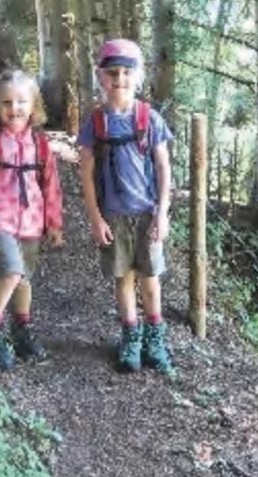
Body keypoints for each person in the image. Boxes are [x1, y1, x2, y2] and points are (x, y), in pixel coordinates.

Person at [77, 38, 175, 374]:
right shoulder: (95, 123)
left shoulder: (150, 119)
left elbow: (163, 168)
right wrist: (95, 217)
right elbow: (86, 171)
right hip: (114, 215)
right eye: (112, 73)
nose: (120, 79)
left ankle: (154, 338)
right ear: (100, 77)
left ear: (139, 76)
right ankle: (131, 337)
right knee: (123, 278)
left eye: (126, 72)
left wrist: (162, 213)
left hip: (147, 213)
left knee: (150, 279)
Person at [0, 70, 64, 371]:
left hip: (32, 223)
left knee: (23, 280)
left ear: (34, 105)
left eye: (21, 101)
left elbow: (51, 186)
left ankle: (21, 330)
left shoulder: (41, 146)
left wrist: (54, 223)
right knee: (11, 271)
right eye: (6, 102)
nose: (14, 108)